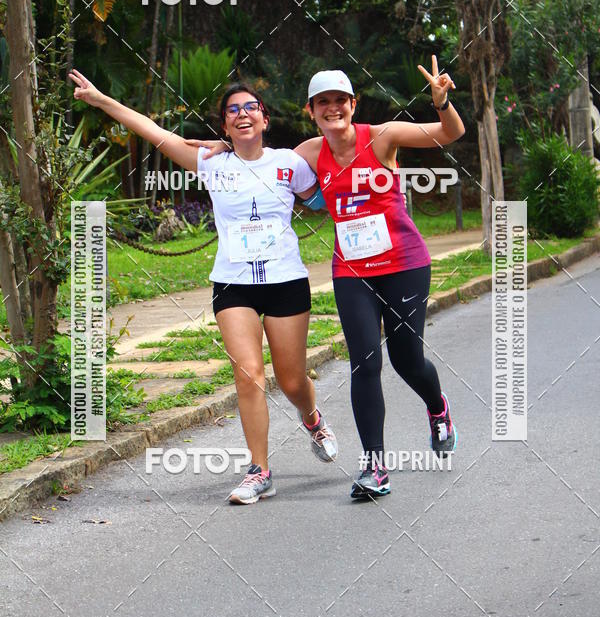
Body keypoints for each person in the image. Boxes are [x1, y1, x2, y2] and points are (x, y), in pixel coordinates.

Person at [68, 70, 338, 505]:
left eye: (251, 107)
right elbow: (151, 130)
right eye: (233, 111)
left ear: (265, 120)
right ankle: (259, 470)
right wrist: (102, 100)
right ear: (225, 126)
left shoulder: (291, 163)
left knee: (290, 380)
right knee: (249, 374)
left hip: (286, 281)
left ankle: (312, 418)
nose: (243, 114)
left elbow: (326, 193)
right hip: (233, 285)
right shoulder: (211, 162)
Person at [294, 58, 465, 499]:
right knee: (365, 362)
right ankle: (374, 466)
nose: (332, 109)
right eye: (322, 103)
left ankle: (438, 408)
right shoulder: (309, 153)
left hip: (405, 264)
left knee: (408, 361)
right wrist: (215, 147)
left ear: (352, 104)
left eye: (339, 100)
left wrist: (442, 103)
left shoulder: (383, 136)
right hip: (351, 272)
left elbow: (450, 134)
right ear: (311, 110)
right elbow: (259, 167)